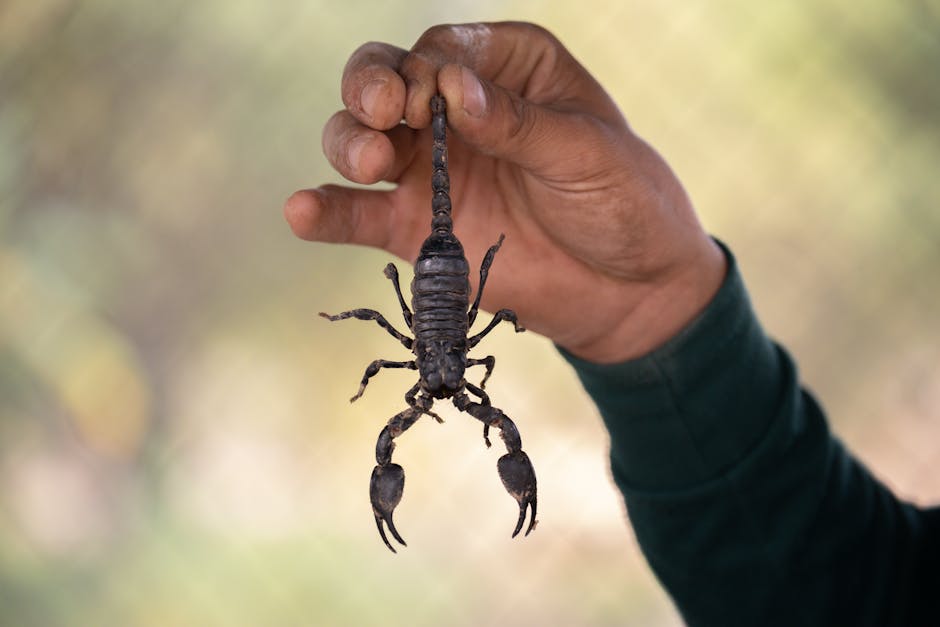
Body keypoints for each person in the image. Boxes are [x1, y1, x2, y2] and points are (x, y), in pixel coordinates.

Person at [284, 22, 938, 626]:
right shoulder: (470, 374)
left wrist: (645, 319)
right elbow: (849, 593)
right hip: (450, 291)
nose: (452, 402)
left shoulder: (431, 385)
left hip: (438, 297)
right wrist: (652, 316)